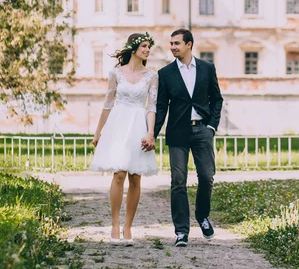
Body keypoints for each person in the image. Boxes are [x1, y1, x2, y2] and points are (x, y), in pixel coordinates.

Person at [153, 29, 224, 247]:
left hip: (203, 130)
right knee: (178, 182)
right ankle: (181, 231)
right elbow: (161, 106)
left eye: (176, 43)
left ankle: (202, 216)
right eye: (171, 43)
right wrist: (152, 134)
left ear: (189, 44)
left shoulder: (207, 68)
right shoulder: (165, 73)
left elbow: (217, 99)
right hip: (177, 132)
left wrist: (211, 126)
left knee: (206, 176)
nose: (173, 47)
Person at [89, 32, 158, 245]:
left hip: (138, 123)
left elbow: (152, 107)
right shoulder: (116, 73)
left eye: (149, 46)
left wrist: (150, 132)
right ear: (134, 48)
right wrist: (98, 132)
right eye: (144, 46)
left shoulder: (152, 75)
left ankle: (128, 227)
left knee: (135, 177)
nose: (147, 50)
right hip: (118, 124)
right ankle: (115, 224)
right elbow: (108, 104)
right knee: (118, 174)